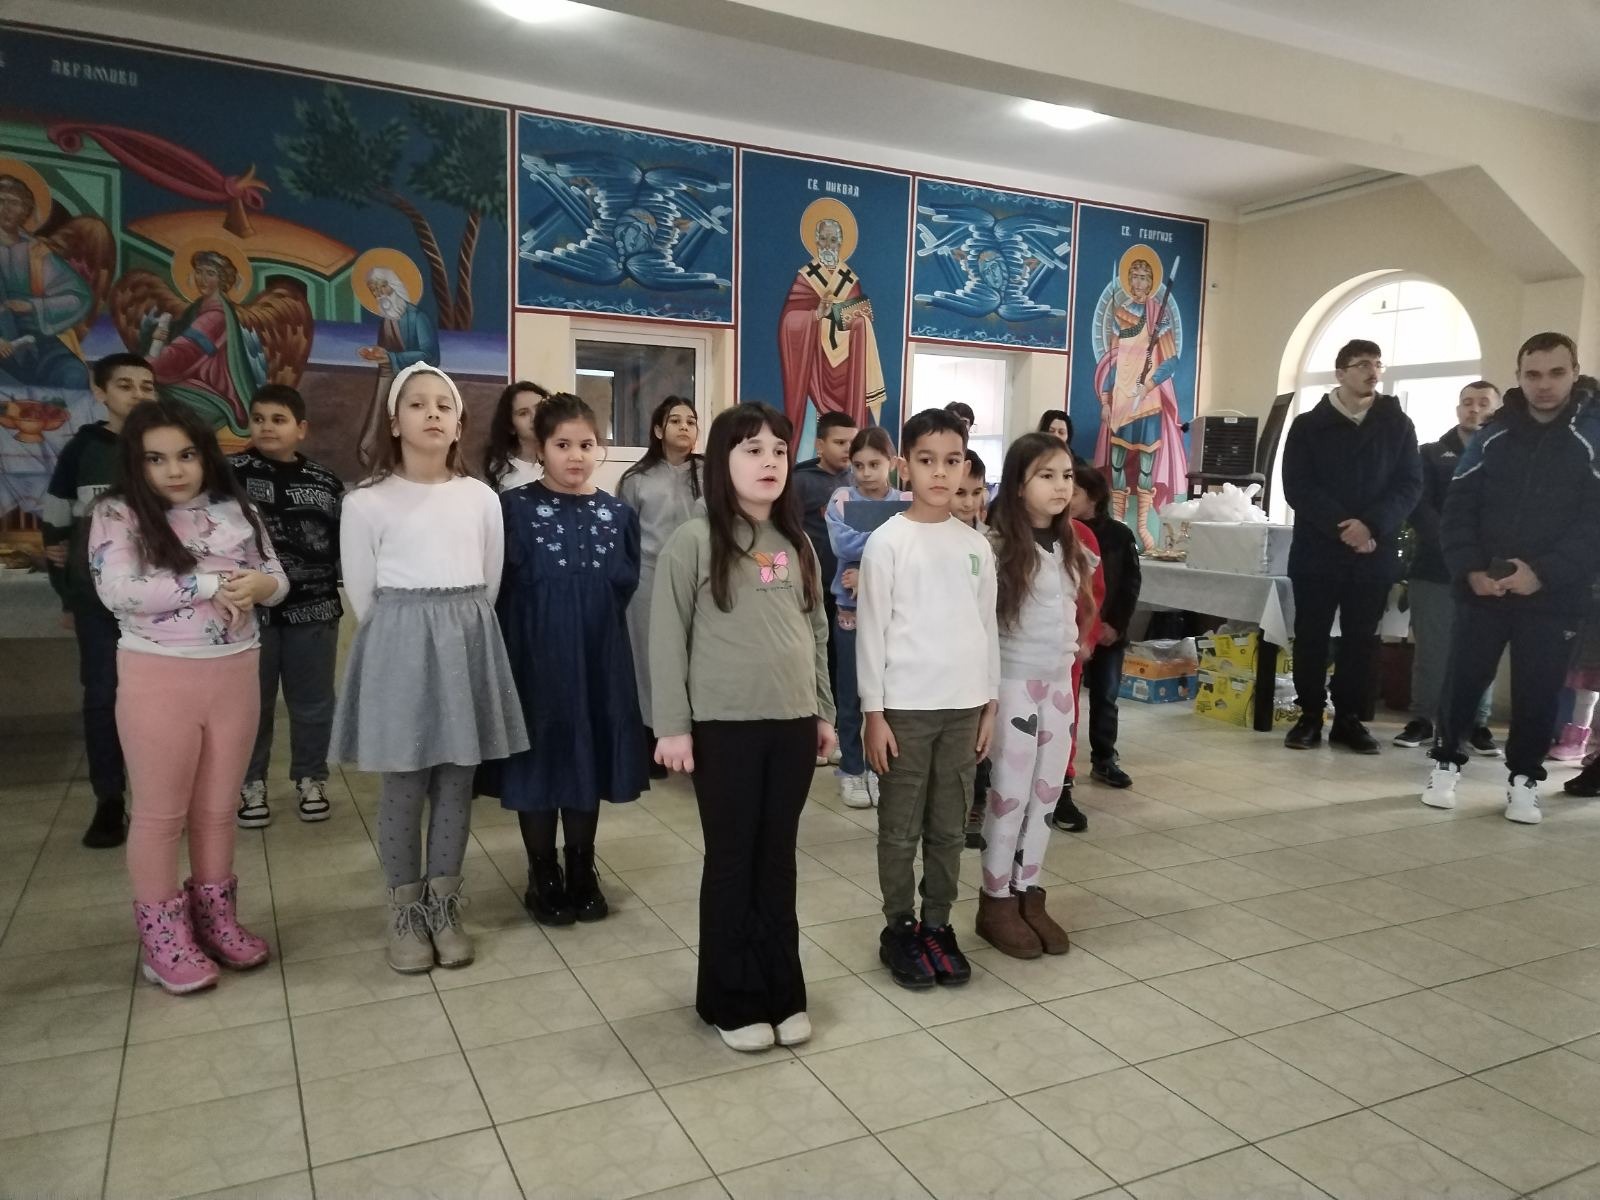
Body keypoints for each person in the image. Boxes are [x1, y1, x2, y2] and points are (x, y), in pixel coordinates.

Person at [331, 362, 529, 974]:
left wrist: (454, 625)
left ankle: (444, 906)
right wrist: (411, 634)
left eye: (444, 405)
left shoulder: (481, 498)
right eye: (417, 404)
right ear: (395, 422)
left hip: (466, 637)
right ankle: (404, 910)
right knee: (405, 781)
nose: (433, 414)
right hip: (398, 643)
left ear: (459, 423)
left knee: (455, 780)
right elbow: (362, 594)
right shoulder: (365, 502)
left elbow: (490, 580)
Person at [651, 402, 837, 1053]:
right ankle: (728, 999)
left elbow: (816, 633)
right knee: (733, 860)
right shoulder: (693, 540)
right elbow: (666, 638)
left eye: (779, 451)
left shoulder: (797, 543)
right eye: (752, 450)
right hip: (722, 728)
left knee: (777, 859)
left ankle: (782, 992)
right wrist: (672, 727)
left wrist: (822, 711)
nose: (769, 462)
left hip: (791, 726)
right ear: (721, 461)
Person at [88, 400, 287, 994]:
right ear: (136, 462)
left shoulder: (238, 509)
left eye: (186, 455)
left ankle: (215, 921)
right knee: (159, 815)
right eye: (156, 459)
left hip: (236, 671)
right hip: (159, 676)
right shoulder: (117, 512)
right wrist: (209, 583)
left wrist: (262, 584)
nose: (174, 470)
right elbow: (118, 590)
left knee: (218, 809)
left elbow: (276, 578)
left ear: (205, 456)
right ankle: (163, 941)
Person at [1424, 333, 1600, 823]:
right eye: (1532, 374)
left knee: (1538, 692)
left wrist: (1542, 574)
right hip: (1483, 589)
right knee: (1463, 683)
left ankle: (1524, 780)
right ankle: (1445, 765)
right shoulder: (1492, 434)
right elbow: (1458, 510)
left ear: (1574, 372)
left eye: (1556, 373)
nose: (1544, 385)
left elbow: (1594, 525)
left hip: (1554, 596)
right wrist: (1471, 570)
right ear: (1518, 377)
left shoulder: (1593, 435)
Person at [858, 408, 998, 991]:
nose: (940, 473)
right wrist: (873, 713)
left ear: (966, 466)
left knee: (949, 827)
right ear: (904, 466)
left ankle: (938, 924)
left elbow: (987, 628)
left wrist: (990, 703)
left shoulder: (976, 546)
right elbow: (871, 632)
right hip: (906, 712)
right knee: (900, 828)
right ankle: (900, 927)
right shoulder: (887, 543)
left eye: (952, 461)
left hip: (964, 709)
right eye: (926, 460)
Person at [500, 393, 646, 925]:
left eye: (586, 444)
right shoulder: (511, 510)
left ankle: (582, 867)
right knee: (539, 761)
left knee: (588, 756)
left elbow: (623, 586)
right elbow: (500, 587)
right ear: (540, 448)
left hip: (597, 658)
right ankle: (542, 873)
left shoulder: (619, 514)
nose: (576, 456)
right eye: (562, 445)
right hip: (534, 661)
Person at [976, 432, 1091, 959]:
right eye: (1046, 475)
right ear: (1019, 485)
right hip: (1014, 684)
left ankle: (1029, 891)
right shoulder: (996, 547)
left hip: (1059, 686)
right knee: (1010, 794)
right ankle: (995, 899)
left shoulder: (1073, 547)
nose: (1061, 486)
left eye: (1066, 475)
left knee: (1046, 793)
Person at [1281, 339, 1422, 754]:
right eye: (1362, 364)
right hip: (1319, 549)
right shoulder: (1309, 425)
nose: (1372, 372)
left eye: (1377, 364)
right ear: (1340, 373)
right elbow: (1298, 486)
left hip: (1372, 550)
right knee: (1312, 635)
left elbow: (1409, 485)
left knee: (1361, 639)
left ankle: (1348, 719)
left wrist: (1371, 525)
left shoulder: (1398, 425)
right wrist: (1344, 527)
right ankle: (1309, 715)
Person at [43, 352, 156, 848]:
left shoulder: (164, 446)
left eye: (147, 386)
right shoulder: (82, 450)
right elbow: (55, 524)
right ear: (100, 392)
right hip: (96, 602)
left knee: (159, 700)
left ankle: (158, 794)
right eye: (126, 385)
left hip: (159, 601)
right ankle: (109, 798)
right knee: (103, 696)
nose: (138, 394)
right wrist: (66, 592)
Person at [230, 384, 345, 827]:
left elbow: (342, 546)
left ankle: (311, 778)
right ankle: (250, 784)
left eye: (278, 420)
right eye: (258, 419)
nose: (266, 427)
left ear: (301, 428)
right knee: (251, 706)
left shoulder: (325, 482)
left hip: (313, 611)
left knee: (313, 704)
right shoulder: (227, 475)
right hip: (248, 614)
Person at [1396, 381, 1502, 754]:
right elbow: (1419, 505)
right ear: (1458, 409)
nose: (1474, 409)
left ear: (1497, 409)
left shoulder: (1508, 454)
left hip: (1488, 571)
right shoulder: (1430, 454)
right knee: (1432, 651)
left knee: (1482, 651)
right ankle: (1423, 719)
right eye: (1467, 403)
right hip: (1435, 568)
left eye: (1483, 403)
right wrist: (1454, 547)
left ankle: (1477, 724)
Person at [618, 396, 703, 781]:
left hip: (697, 578)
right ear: (658, 430)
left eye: (691, 421)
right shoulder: (636, 479)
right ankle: (654, 742)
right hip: (648, 579)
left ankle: (696, 739)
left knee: (696, 657)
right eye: (675, 420)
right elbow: (625, 538)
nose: (684, 426)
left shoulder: (711, 473)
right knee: (649, 660)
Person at [825, 426, 906, 809]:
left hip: (896, 612)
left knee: (887, 695)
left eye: (875, 464)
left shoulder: (907, 500)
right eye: (858, 465)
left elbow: (912, 552)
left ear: (892, 462)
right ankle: (852, 769)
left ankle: (878, 766)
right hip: (850, 614)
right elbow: (842, 544)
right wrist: (888, 540)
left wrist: (868, 571)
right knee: (851, 693)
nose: (866, 473)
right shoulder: (842, 498)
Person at [1071, 463, 1141, 789]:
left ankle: (1104, 759)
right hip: (1072, 634)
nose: (1066, 497)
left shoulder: (1119, 535)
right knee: (1067, 700)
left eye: (1074, 492)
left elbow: (1129, 585)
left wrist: (1115, 625)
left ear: (1094, 497)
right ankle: (1061, 764)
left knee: (1105, 698)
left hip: (1108, 632)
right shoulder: (1061, 531)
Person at [793, 409, 857, 746]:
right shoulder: (800, 482)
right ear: (820, 445)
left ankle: (842, 731)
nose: (848, 449)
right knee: (818, 658)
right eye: (839, 442)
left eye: (852, 442)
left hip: (850, 590)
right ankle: (818, 726)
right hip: (814, 588)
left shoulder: (858, 481)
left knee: (844, 664)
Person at [0, 172, 93, 389]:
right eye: (1, 200)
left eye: (14, 202)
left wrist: (33, 306)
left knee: (73, 374)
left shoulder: (37, 252)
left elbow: (78, 297)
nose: (6, 208)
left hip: (35, 338)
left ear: (26, 210)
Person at [954, 449, 992, 850]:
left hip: (982, 659)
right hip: (946, 664)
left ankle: (974, 809)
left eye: (976, 492)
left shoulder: (990, 542)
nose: (968, 502)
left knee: (980, 745)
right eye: (960, 493)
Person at [483, 380, 551, 492]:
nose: (535, 417)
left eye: (540, 407)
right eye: (523, 413)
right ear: (511, 426)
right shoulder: (500, 473)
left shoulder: (563, 460)